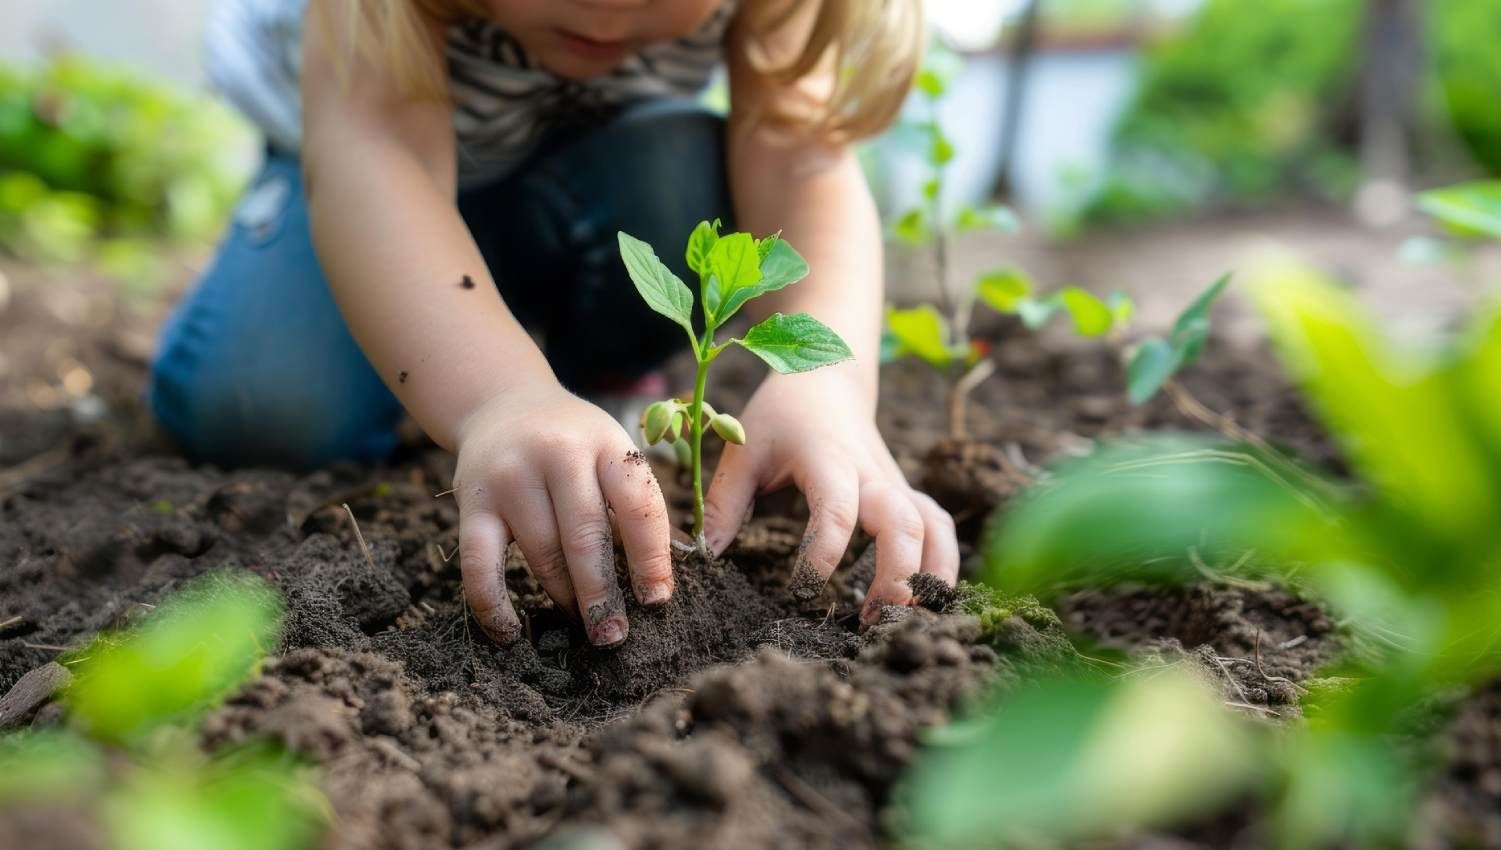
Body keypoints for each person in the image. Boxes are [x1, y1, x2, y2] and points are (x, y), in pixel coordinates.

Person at [149, 0, 959, 649]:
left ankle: (578, 377)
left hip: (594, 177)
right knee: (262, 404)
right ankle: (451, 348)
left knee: (675, 179)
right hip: (364, 171)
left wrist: (827, 387)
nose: (605, 17)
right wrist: (496, 398)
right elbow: (375, 151)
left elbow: (797, 150)